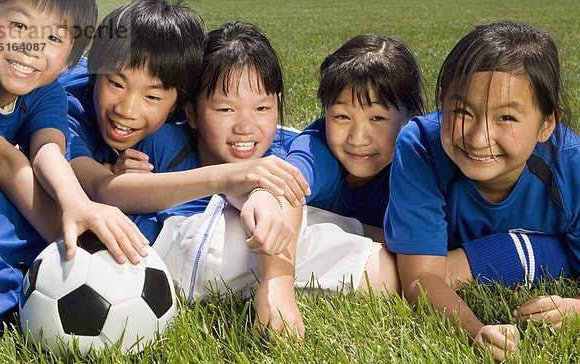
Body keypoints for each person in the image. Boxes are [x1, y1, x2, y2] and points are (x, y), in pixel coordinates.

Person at [143, 21, 400, 339]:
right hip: (198, 247)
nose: (245, 127)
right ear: (192, 112)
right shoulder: (164, 142)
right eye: (226, 109)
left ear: (278, 103)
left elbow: (287, 189)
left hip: (300, 235)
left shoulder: (285, 145)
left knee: (303, 223)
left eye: (263, 107)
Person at [384, 22, 580, 361]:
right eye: (462, 112)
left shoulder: (570, 164)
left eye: (505, 117)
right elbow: (421, 276)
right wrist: (476, 330)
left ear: (548, 123)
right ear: (443, 99)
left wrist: (575, 309)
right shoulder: (421, 147)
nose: (477, 138)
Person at [61, 0, 309, 246]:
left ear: (181, 103)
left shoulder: (186, 105)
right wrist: (229, 176)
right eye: (116, 84)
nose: (127, 109)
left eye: (152, 96)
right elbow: (102, 189)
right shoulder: (65, 113)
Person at [0, 0, 148, 266]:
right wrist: (77, 242)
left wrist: (77, 204)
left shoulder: (48, 93)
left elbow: (47, 149)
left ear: (71, 60)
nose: (30, 47)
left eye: (53, 37)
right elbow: (1, 160)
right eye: (19, 25)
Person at [286, 34, 424, 235]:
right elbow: (285, 187)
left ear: (413, 117)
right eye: (342, 117)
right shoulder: (317, 150)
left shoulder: (422, 167)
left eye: (377, 118)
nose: (358, 139)